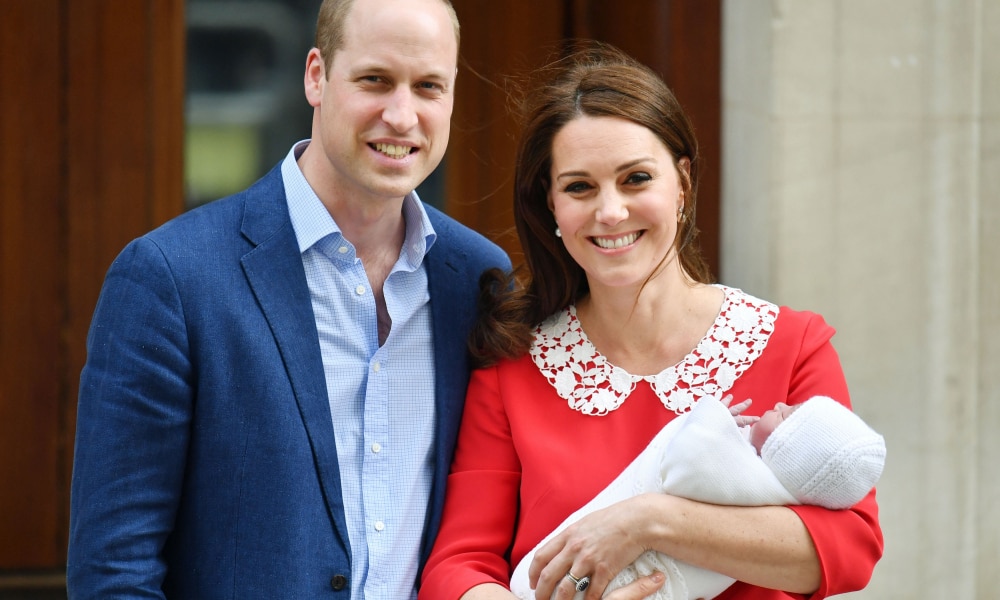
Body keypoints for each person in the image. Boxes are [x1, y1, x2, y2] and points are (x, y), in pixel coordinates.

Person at [66, 0, 510, 597]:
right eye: (375, 80)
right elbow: (114, 570)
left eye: (429, 87)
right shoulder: (170, 278)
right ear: (315, 76)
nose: (402, 116)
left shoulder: (478, 279)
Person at [418, 41, 883, 600]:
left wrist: (648, 522)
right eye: (579, 187)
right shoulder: (513, 367)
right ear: (552, 207)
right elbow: (457, 568)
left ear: (681, 182)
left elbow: (849, 548)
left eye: (636, 178)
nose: (610, 211)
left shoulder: (792, 345)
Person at [509, 395, 887, 599]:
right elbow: (462, 559)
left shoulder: (748, 483)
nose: (784, 404)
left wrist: (714, 414)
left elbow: (851, 551)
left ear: (791, 450)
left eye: (791, 416)